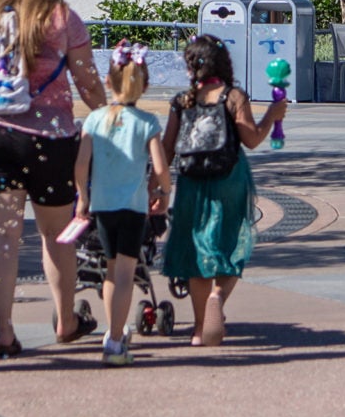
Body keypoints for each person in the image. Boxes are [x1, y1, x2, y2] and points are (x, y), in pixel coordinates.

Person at [0, 0, 106, 358]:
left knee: (2, 238)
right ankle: (65, 320)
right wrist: (108, 113)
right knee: (56, 235)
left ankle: (4, 332)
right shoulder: (64, 19)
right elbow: (87, 83)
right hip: (48, 139)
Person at [162, 32, 286, 346]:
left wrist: (156, 189)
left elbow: (166, 150)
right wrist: (273, 114)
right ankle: (219, 295)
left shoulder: (182, 101)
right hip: (229, 178)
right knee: (232, 244)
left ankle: (200, 328)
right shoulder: (233, 97)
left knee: (198, 251)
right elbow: (252, 139)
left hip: (191, 182)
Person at [76, 42, 168, 366]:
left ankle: (113, 330)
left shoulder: (94, 120)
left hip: (101, 207)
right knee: (127, 272)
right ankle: (115, 341)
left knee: (111, 270)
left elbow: (81, 164)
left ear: (107, 81)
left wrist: (83, 199)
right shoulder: (147, 122)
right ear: (144, 83)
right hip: (133, 208)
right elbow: (160, 168)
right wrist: (163, 194)